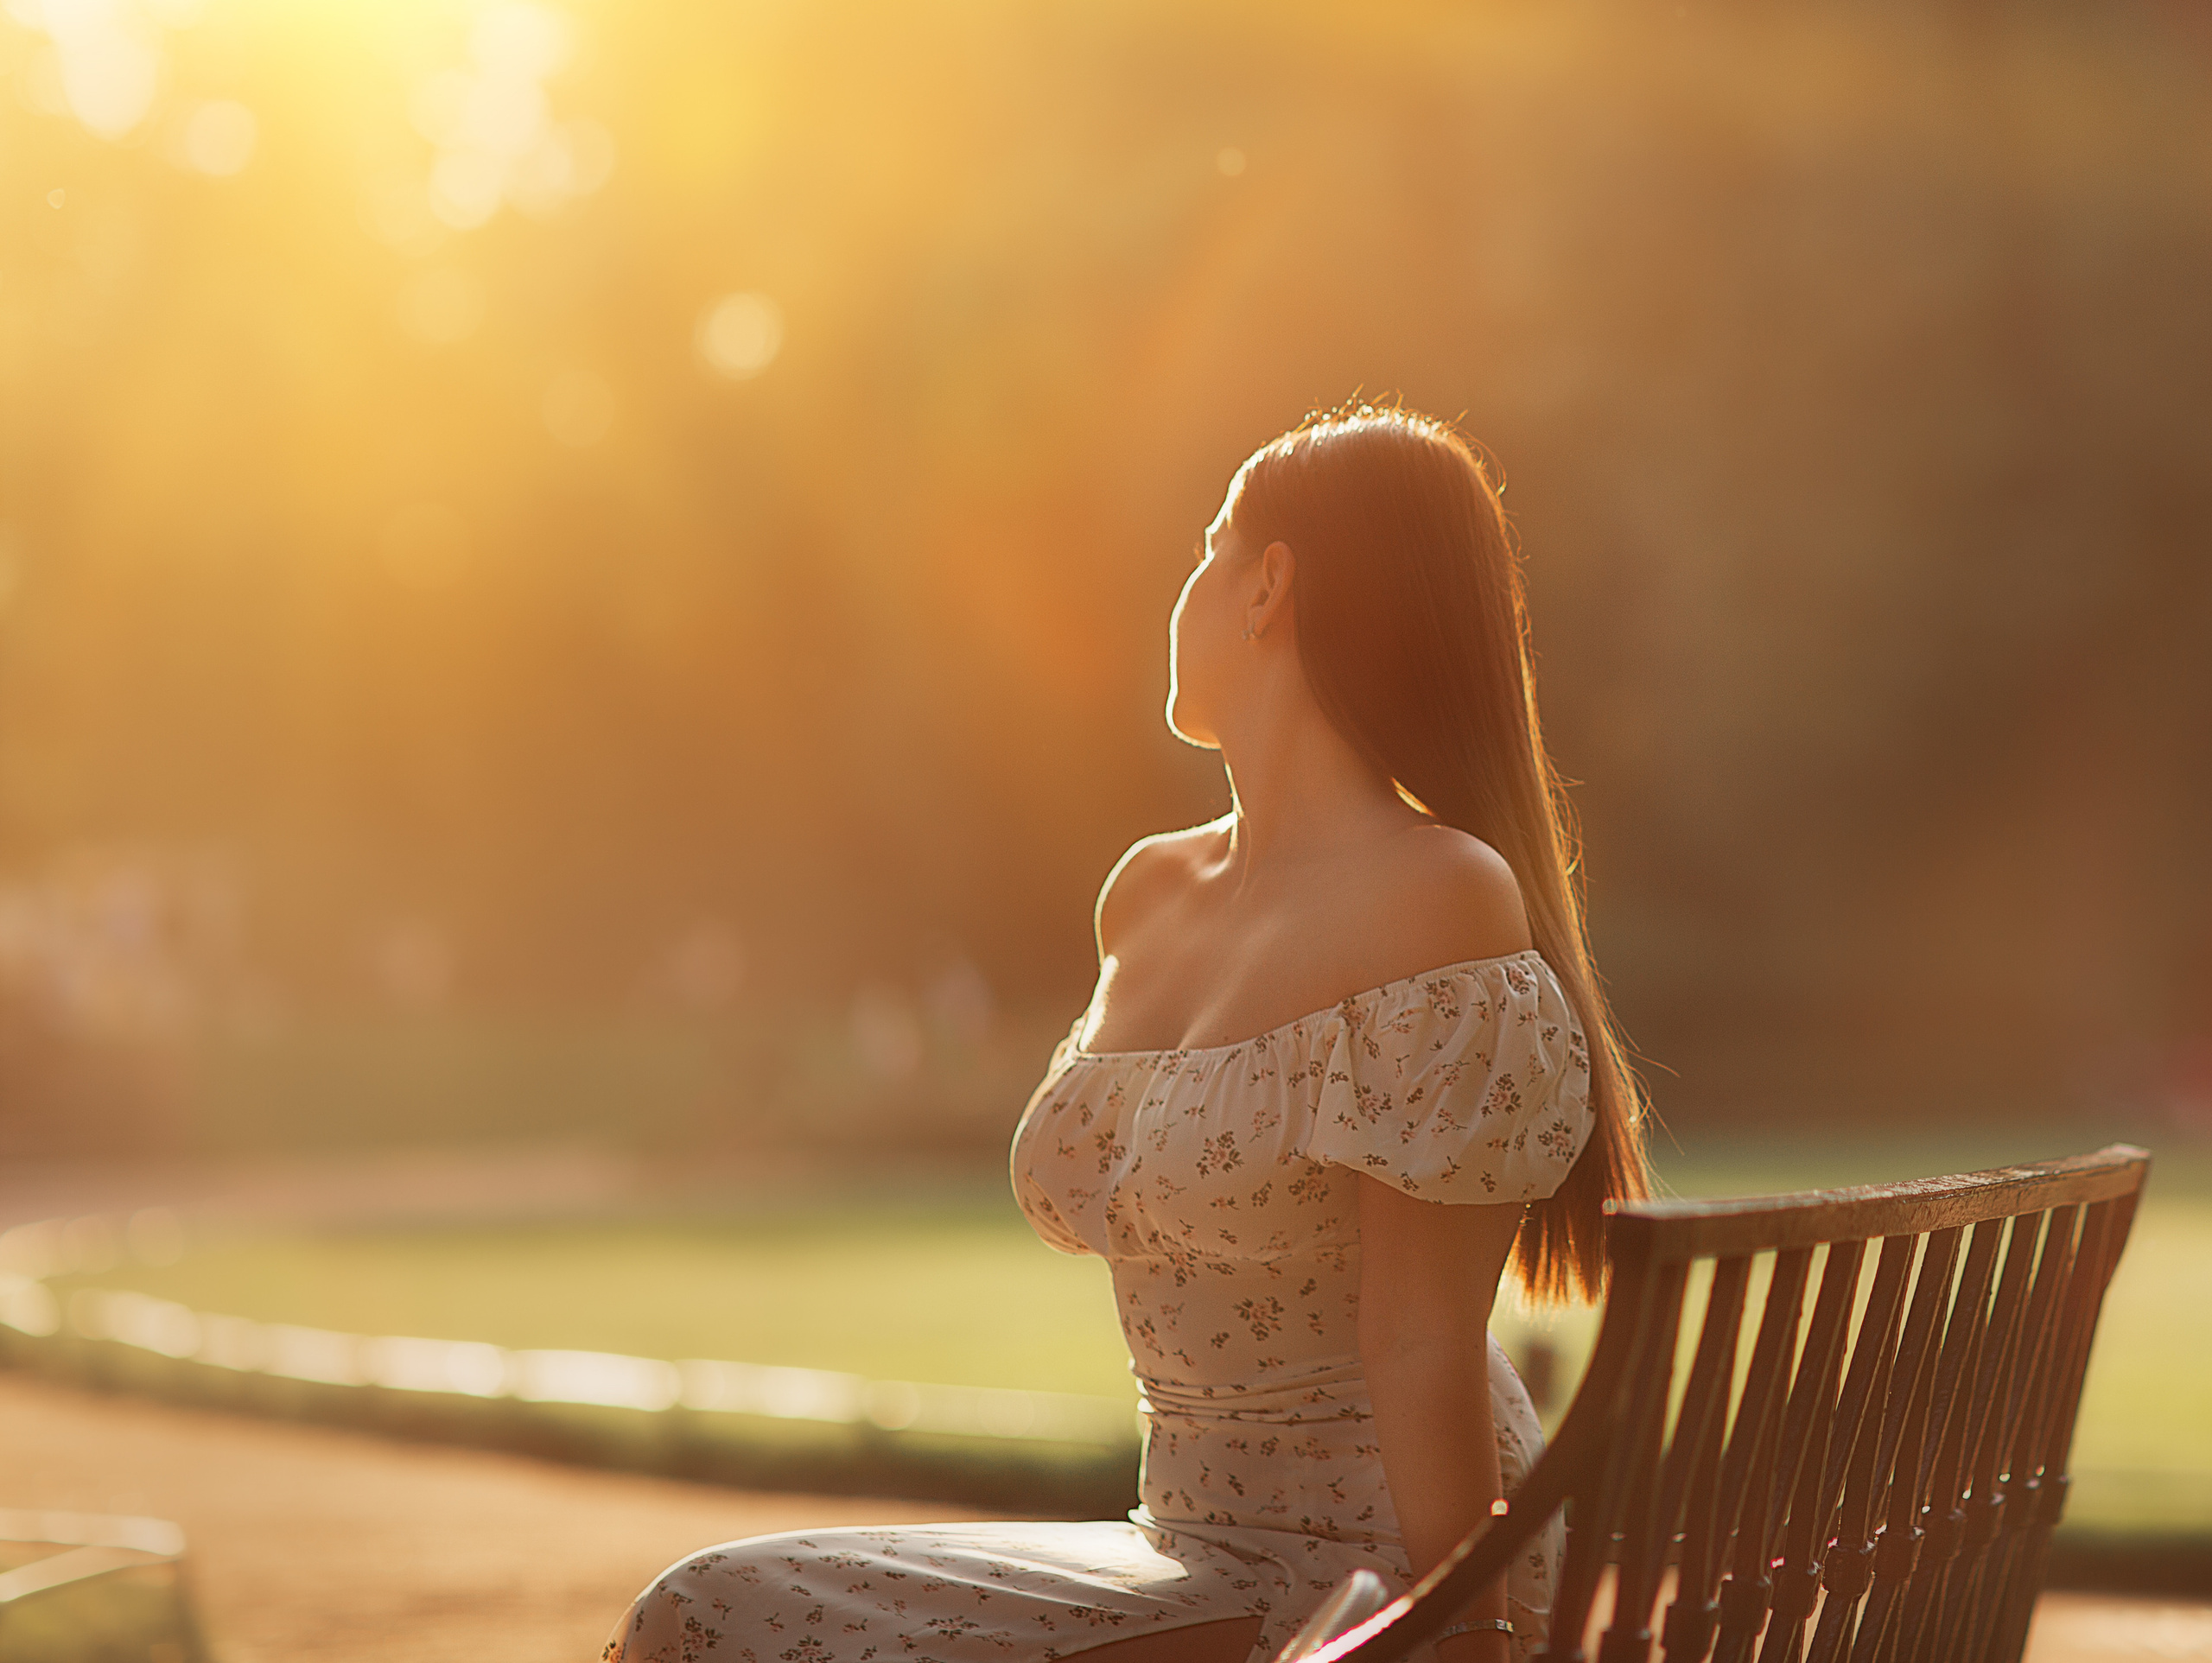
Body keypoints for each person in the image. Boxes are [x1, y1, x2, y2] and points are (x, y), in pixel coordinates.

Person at [604, 403, 1649, 1663]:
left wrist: (1467, 1630)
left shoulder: (1438, 894)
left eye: (1208, 551)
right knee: (705, 1602)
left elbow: (1419, 1336)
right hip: (1184, 1552)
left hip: (1374, 1579)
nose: (1186, 589)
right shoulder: (1147, 895)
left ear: (1269, 586)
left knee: (718, 1627)